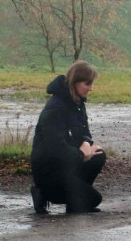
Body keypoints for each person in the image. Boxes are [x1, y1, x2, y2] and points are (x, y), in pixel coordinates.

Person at [30, 60, 106, 214]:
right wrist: (80, 155)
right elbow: (55, 147)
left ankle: (74, 202)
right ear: (75, 82)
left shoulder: (78, 103)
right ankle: (42, 193)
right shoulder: (55, 108)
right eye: (87, 84)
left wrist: (86, 144)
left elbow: (85, 131)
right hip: (50, 171)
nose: (91, 88)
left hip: (67, 164)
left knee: (98, 154)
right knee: (93, 200)